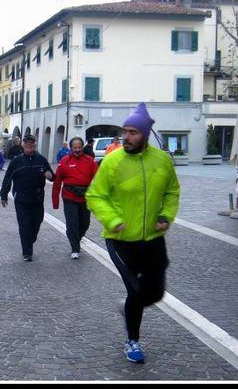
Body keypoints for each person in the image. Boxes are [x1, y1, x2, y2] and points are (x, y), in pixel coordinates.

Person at [86, 102, 180, 364]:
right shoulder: (112, 161)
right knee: (137, 291)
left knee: (156, 293)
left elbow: (172, 191)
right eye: (124, 131)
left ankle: (128, 307)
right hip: (120, 240)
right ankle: (132, 341)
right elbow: (95, 195)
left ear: (145, 134)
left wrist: (165, 216)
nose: (126, 137)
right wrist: (113, 220)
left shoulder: (162, 160)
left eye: (132, 132)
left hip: (153, 239)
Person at [0, 135, 54, 261]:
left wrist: (49, 175)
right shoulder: (17, 161)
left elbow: (52, 176)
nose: (29, 145)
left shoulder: (41, 159)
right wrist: (4, 195)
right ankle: (27, 252)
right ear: (23, 145)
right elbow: (8, 178)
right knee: (24, 225)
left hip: (37, 198)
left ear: (35, 144)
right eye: (27, 143)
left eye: (31, 143)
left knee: (36, 223)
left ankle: (30, 239)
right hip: (21, 199)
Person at [52, 137, 98, 260]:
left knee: (85, 223)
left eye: (79, 147)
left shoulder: (90, 161)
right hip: (69, 197)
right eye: (75, 147)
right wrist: (55, 202)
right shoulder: (64, 161)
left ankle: (76, 239)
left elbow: (99, 177)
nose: (77, 149)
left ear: (82, 147)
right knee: (72, 224)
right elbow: (57, 182)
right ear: (71, 148)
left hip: (85, 197)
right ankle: (75, 248)